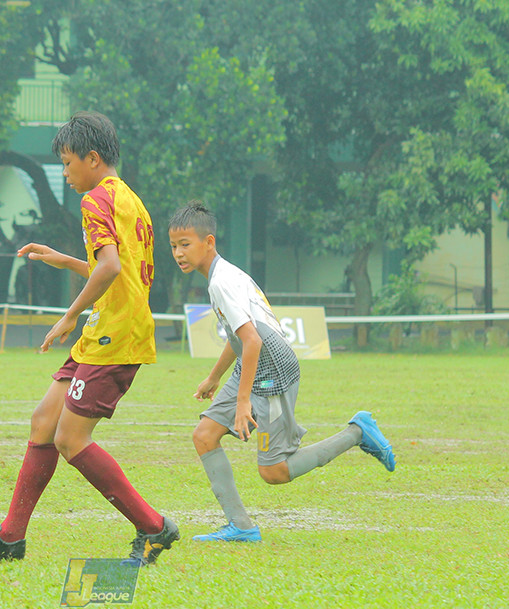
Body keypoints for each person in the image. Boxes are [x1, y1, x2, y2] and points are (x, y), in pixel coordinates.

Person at [0, 111, 179, 565]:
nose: (65, 173)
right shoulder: (130, 199)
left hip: (113, 335)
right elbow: (116, 269)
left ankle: (154, 527)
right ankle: (12, 536)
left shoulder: (94, 202)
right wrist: (65, 260)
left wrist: (69, 315)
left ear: (92, 158)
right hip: (106, 330)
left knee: (70, 440)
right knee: (43, 423)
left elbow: (110, 269)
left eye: (67, 164)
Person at [167, 201, 395, 542]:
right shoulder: (222, 275)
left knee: (274, 471)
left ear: (208, 242)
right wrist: (214, 377)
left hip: (271, 370)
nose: (178, 253)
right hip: (254, 363)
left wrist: (243, 403)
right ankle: (241, 527)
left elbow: (253, 340)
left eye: (185, 245)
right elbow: (238, 337)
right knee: (204, 436)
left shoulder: (221, 283)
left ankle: (357, 433)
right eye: (173, 246)